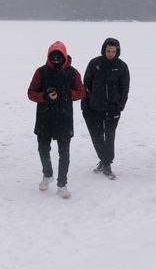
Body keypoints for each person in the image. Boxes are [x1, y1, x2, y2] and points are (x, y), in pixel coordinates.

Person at [27, 41, 86, 199]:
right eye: (53, 56)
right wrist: (45, 96)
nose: (56, 59)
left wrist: (68, 93)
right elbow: (31, 93)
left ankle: (62, 184)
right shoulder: (41, 72)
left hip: (64, 118)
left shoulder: (73, 73)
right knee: (43, 149)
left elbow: (82, 92)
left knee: (64, 153)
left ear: (65, 56)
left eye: (59, 56)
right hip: (44, 118)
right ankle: (47, 174)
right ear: (48, 56)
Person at [82, 37, 130, 180]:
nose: (110, 54)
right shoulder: (94, 63)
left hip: (112, 109)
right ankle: (103, 160)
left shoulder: (122, 67)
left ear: (117, 51)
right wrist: (86, 104)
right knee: (96, 136)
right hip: (94, 108)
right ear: (104, 50)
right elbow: (86, 84)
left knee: (109, 136)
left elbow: (125, 88)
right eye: (108, 51)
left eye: (113, 51)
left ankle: (107, 163)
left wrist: (120, 105)